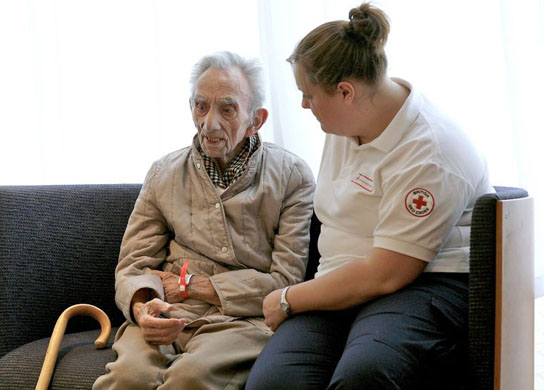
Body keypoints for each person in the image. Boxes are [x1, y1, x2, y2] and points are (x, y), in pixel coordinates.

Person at [246, 3, 494, 390]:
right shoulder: (345, 123)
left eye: (308, 94)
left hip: (425, 282)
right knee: (274, 384)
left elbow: (387, 273)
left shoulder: (431, 151)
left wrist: (287, 299)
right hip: (344, 275)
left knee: (364, 379)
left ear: (345, 92)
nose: (303, 105)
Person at [92, 51, 315, 390]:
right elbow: (134, 266)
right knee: (128, 378)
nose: (209, 123)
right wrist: (141, 308)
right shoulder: (163, 173)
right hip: (166, 313)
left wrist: (194, 286)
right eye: (201, 106)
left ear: (256, 118)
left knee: (189, 379)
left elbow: (286, 282)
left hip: (241, 322)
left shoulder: (292, 176)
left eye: (227, 109)